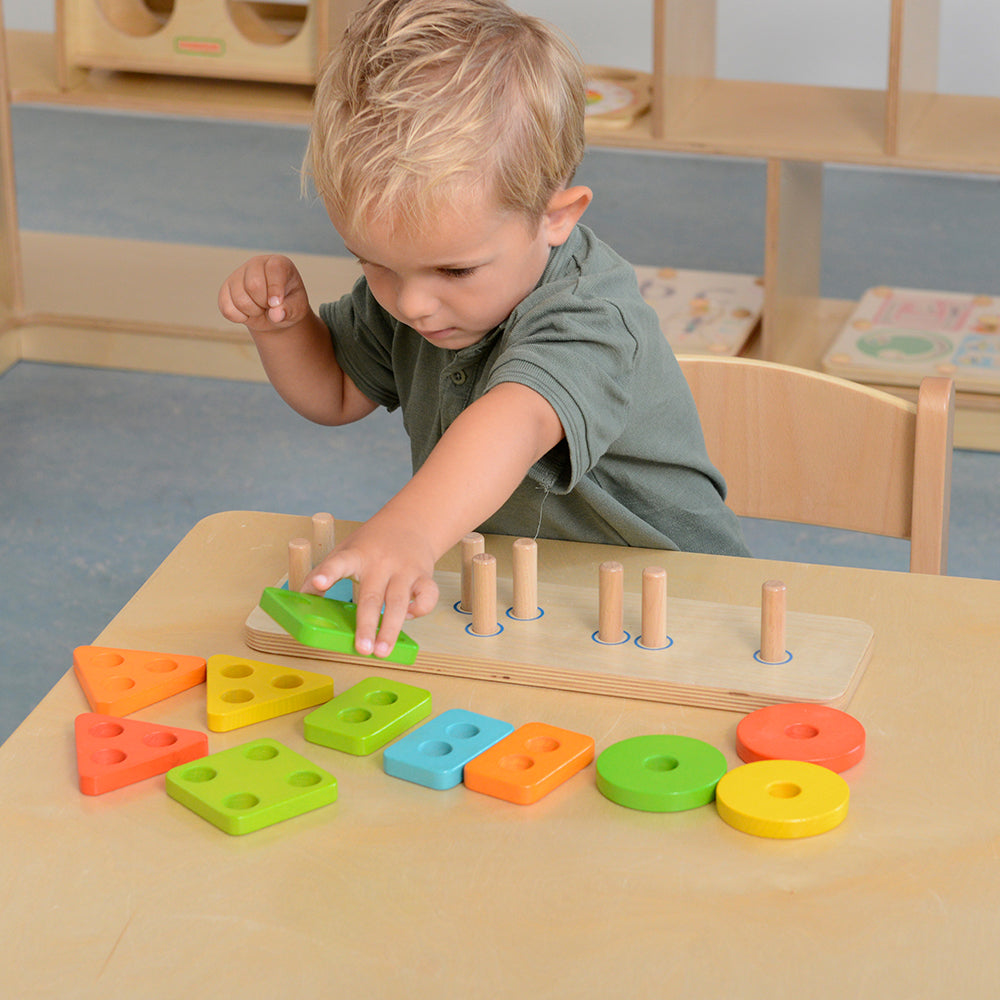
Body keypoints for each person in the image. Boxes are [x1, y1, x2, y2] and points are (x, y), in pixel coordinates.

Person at [218, 0, 748, 660]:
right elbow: (335, 395)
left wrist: (410, 528)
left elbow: (515, 422)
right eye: (373, 263)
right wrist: (285, 329)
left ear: (556, 217)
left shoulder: (590, 314)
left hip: (677, 610)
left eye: (455, 270)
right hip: (523, 604)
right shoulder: (417, 290)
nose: (412, 303)